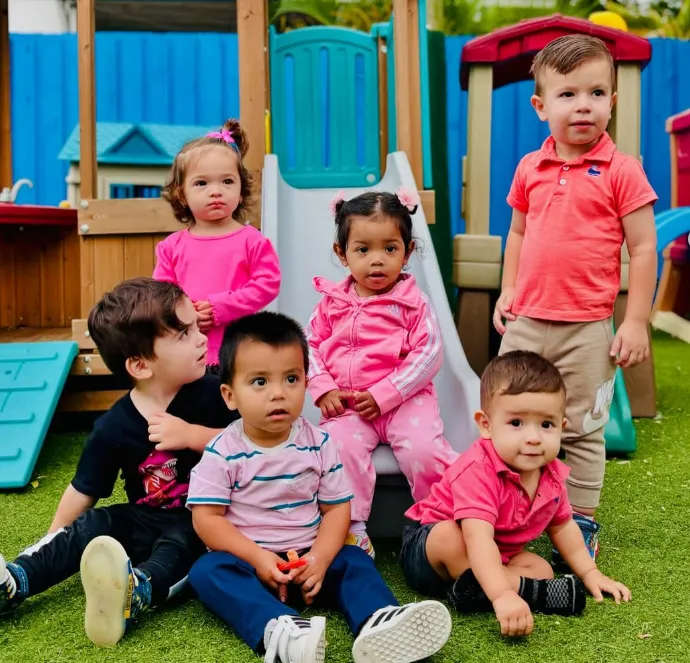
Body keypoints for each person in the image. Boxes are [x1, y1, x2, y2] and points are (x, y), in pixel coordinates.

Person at [186, 311, 452, 663]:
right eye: (260, 382)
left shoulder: (320, 443)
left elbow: (336, 509)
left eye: (291, 379)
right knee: (207, 571)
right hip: (250, 564)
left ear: (307, 383)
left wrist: (321, 558)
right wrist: (258, 559)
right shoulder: (222, 451)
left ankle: (378, 620)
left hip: (311, 562)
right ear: (230, 395)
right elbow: (207, 519)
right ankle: (280, 631)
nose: (278, 393)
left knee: (353, 560)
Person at [493, 35, 658, 566]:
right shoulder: (530, 167)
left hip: (586, 327)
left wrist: (635, 321)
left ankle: (580, 520)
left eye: (596, 93)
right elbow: (518, 234)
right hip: (525, 321)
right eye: (568, 94)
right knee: (509, 416)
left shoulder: (621, 170)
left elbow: (644, 247)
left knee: (583, 429)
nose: (583, 105)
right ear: (540, 106)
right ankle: (506, 510)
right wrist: (508, 289)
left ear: (613, 101)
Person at [0, 277, 238, 647]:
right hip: (142, 519)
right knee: (95, 523)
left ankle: (135, 591)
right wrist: (53, 540)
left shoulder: (218, 391)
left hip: (204, 518)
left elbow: (253, 446)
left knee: (185, 540)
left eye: (196, 327)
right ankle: (15, 582)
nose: (201, 339)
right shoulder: (114, 426)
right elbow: (83, 490)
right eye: (184, 334)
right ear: (141, 365)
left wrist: (194, 435)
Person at [400, 351, 632, 638]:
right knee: (450, 537)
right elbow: (478, 540)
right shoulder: (478, 470)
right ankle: (520, 591)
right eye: (516, 423)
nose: (533, 438)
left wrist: (590, 573)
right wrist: (503, 596)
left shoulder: (551, 475)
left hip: (497, 555)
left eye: (546, 425)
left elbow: (563, 527)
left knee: (542, 569)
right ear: (486, 425)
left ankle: (474, 591)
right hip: (430, 554)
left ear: (561, 427)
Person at [305, 188, 457, 557]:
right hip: (350, 406)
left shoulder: (413, 303)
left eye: (390, 248)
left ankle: (438, 519)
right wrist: (324, 388)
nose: (377, 260)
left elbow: (429, 353)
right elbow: (307, 347)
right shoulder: (331, 304)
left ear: (407, 251)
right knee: (336, 449)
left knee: (424, 450)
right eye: (363, 250)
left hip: (406, 402)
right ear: (342, 253)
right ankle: (352, 527)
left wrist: (387, 393)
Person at [153, 118, 281, 372]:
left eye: (227, 182)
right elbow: (160, 296)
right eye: (201, 183)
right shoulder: (171, 247)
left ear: (241, 190)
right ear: (181, 194)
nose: (216, 191)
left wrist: (219, 307)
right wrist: (187, 314)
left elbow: (267, 285)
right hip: (187, 354)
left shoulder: (252, 240)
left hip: (240, 352)